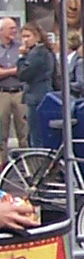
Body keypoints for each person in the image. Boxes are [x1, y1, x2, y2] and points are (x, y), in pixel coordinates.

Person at [16, 22, 53, 148]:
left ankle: (38, 165)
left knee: (35, 135)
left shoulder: (36, 53)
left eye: (28, 36)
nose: (25, 40)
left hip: (36, 97)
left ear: (37, 37)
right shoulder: (46, 51)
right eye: (23, 37)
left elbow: (23, 74)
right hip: (43, 94)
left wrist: (21, 56)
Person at [0, 18, 27, 160]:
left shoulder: (21, 47)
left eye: (15, 28)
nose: (14, 31)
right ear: (1, 31)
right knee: (1, 134)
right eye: (11, 28)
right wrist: (14, 70)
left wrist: (5, 70)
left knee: (25, 132)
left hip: (20, 93)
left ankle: (30, 168)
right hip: (2, 94)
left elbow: (25, 69)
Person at [63, 30, 84, 99]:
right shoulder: (61, 60)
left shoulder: (79, 61)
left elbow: (80, 84)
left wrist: (66, 85)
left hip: (74, 99)